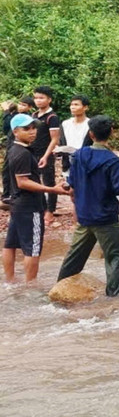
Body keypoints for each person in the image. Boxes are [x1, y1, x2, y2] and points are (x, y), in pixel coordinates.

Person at [56, 115, 119, 296]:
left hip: (85, 216)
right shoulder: (112, 160)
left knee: (75, 256)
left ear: (91, 133)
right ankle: (114, 297)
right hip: (106, 218)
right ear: (111, 132)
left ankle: (59, 289)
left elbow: (71, 182)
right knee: (116, 256)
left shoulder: (79, 155)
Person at [2, 114, 70, 283]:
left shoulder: (15, 149)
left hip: (18, 205)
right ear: (16, 132)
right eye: (27, 129)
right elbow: (23, 182)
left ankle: (10, 281)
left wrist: (35, 167)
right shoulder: (22, 153)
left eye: (33, 128)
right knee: (32, 249)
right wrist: (52, 189)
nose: (32, 132)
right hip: (29, 206)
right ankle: (30, 286)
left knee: (10, 245)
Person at [31, 86, 61, 225]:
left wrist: (45, 156)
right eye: (36, 97)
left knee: (49, 182)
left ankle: (50, 210)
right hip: (33, 153)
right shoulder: (34, 116)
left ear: (49, 99)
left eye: (41, 98)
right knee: (35, 181)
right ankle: (41, 207)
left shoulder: (52, 117)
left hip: (46, 154)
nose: (38, 100)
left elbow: (55, 139)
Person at [2, 97, 34, 203]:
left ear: (29, 107)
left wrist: (6, 111)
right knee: (7, 170)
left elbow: (7, 124)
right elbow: (6, 128)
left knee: (19, 172)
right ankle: (7, 194)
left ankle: (12, 194)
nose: (20, 106)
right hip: (11, 146)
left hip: (19, 148)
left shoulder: (26, 119)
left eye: (24, 105)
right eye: (20, 104)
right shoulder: (16, 116)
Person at [59, 95, 92, 178]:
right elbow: (62, 142)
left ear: (85, 107)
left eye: (76, 105)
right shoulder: (65, 124)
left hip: (85, 162)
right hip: (68, 162)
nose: (72, 107)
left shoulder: (90, 124)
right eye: (71, 105)